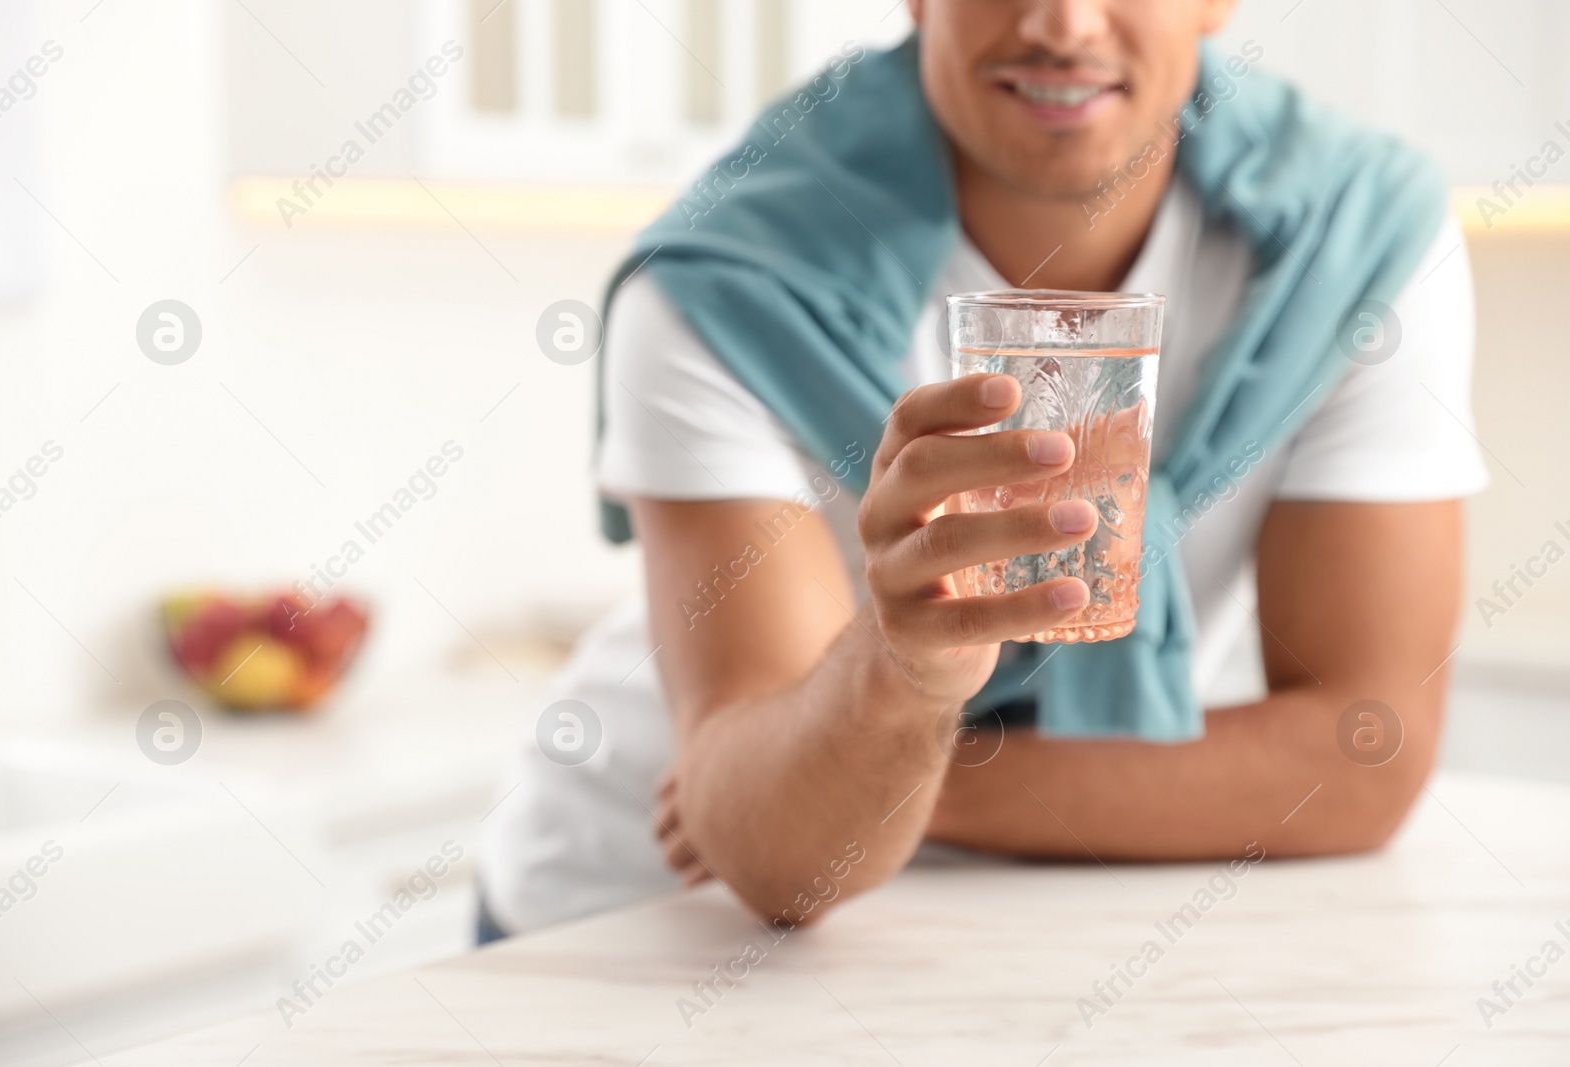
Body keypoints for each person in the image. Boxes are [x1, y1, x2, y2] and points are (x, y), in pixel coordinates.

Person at [478, 0, 1487, 936]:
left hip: (981, 917)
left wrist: (890, 775)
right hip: (641, 921)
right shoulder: (723, 281)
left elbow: (1358, 758)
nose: (1061, 24)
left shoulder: (1357, 247)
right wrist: (893, 678)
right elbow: (782, 862)